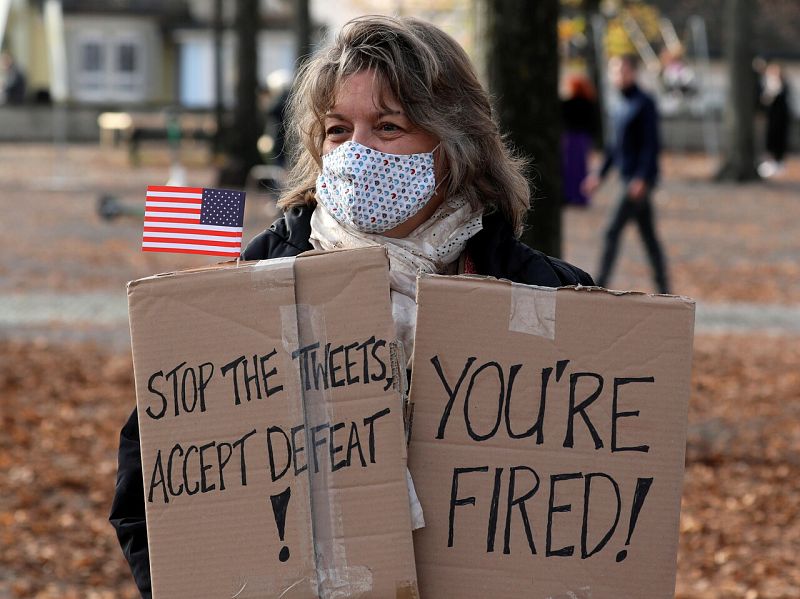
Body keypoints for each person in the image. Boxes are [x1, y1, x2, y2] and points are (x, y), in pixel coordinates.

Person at [110, 16, 593, 598]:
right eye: (338, 130)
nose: (358, 152)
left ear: (456, 145)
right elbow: (156, 483)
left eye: (388, 127)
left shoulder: (548, 299)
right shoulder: (249, 287)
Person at [582, 54, 669, 294]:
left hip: (637, 182)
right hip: (626, 178)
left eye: (621, 70)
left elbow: (651, 145)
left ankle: (598, 286)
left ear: (632, 72)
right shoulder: (619, 104)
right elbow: (613, 147)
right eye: (613, 70)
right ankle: (664, 287)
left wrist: (642, 177)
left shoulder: (644, 103)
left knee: (611, 230)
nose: (616, 75)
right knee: (649, 237)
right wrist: (598, 176)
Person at [561, 74, 599, 207]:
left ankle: (569, 195)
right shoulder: (589, 103)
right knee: (581, 168)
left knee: (569, 169)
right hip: (583, 138)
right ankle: (581, 196)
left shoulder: (567, 103)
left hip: (570, 138)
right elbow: (593, 124)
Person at [758, 62, 791, 178]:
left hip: (781, 118)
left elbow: (785, 100)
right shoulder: (766, 84)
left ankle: (779, 161)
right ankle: (769, 162)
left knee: (780, 140)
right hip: (771, 118)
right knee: (769, 139)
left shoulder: (783, 86)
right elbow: (764, 101)